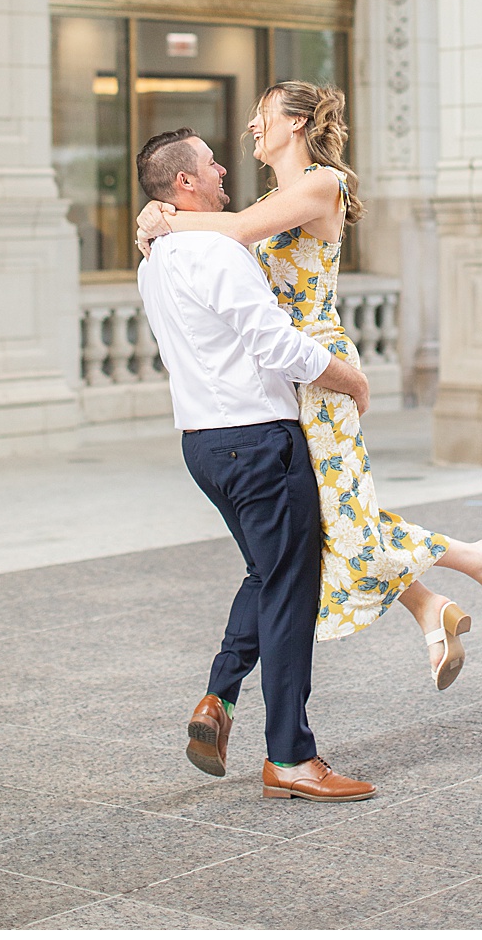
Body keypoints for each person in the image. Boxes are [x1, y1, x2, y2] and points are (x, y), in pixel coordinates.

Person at [137, 83, 482, 690]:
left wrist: (165, 216)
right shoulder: (275, 196)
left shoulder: (321, 184)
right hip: (282, 375)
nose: (250, 129)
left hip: (318, 364)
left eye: (262, 116)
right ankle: (434, 602)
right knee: (332, 517)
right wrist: (160, 218)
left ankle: (475, 561)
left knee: (341, 513)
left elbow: (236, 230)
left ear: (295, 123)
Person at [134, 126, 379, 802]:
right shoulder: (217, 251)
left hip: (203, 444)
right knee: (289, 590)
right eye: (210, 163)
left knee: (267, 573)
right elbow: (273, 341)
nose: (221, 170)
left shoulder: (153, 259)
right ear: (185, 184)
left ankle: (219, 698)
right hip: (258, 439)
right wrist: (346, 377)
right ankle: (292, 758)